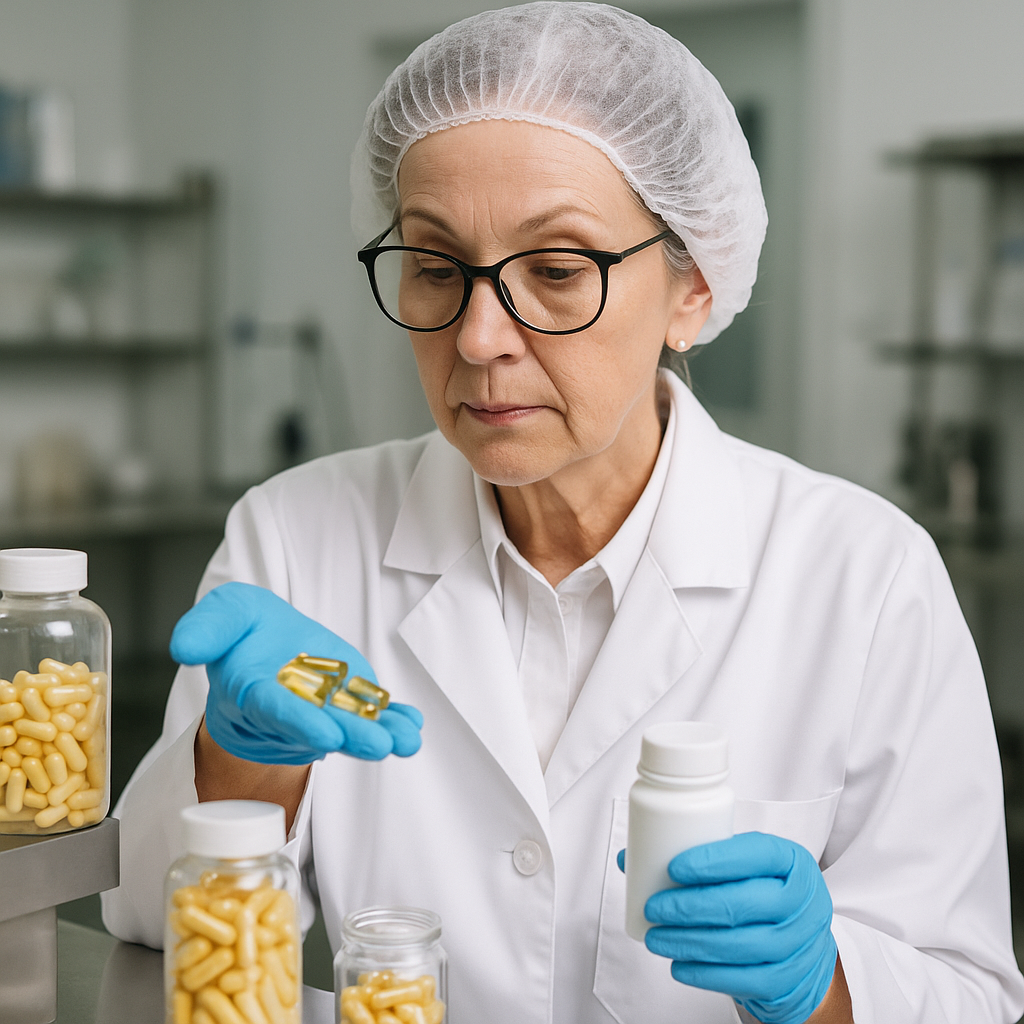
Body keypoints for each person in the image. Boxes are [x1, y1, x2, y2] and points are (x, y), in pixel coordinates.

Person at [102, 4, 1024, 1022]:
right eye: (438, 267)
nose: (481, 335)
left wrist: (828, 983)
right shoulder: (296, 536)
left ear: (694, 287)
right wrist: (240, 762)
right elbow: (148, 923)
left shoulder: (864, 577)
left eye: (555, 270)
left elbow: (968, 991)